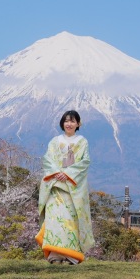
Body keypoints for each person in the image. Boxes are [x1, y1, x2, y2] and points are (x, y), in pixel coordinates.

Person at [35, 110, 94, 264]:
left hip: (71, 190)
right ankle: (55, 255)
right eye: (66, 121)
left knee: (71, 222)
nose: (69, 124)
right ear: (62, 123)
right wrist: (57, 173)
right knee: (55, 220)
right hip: (55, 187)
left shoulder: (82, 142)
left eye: (72, 121)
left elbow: (84, 162)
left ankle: (71, 256)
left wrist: (67, 173)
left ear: (78, 124)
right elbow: (48, 160)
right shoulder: (54, 141)